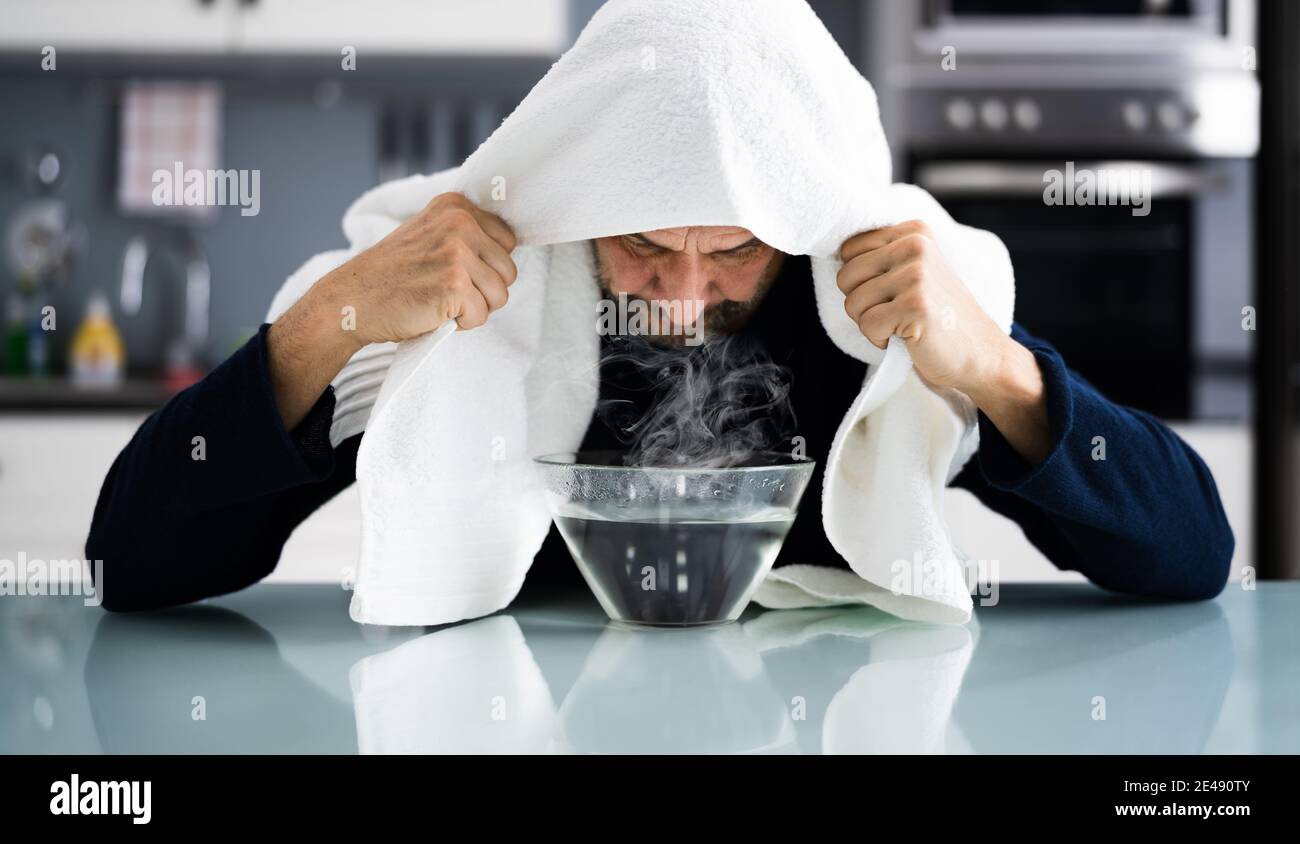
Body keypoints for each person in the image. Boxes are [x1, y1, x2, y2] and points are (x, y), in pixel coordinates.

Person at [85, 192, 1234, 611]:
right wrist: (328, 317)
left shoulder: (860, 305)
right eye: (640, 244)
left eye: (731, 249)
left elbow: (1191, 548)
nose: (682, 295)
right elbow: (131, 559)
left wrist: (994, 364)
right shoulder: (495, 305)